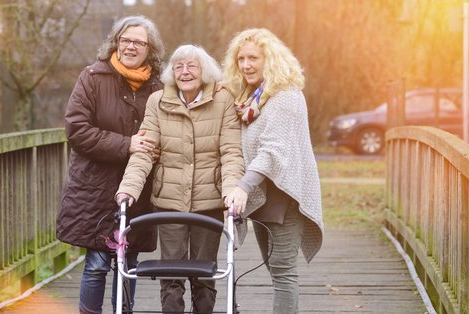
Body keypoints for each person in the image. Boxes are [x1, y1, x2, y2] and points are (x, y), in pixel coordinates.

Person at [116, 44, 247, 314]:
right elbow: (144, 153)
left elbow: (232, 152)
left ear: (205, 71)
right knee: (170, 273)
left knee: (205, 273)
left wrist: (232, 189)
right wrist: (128, 188)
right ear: (171, 73)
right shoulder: (158, 101)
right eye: (179, 67)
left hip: (209, 201)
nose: (185, 72)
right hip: (169, 202)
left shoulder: (223, 100)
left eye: (192, 66)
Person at [56, 15, 165, 314]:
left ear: (149, 48)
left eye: (138, 42)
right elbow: (76, 130)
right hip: (95, 187)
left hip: (137, 188)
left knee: (129, 262)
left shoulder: (160, 86)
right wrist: (127, 143)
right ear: (115, 42)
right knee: (96, 264)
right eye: (125, 40)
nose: (130, 47)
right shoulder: (92, 77)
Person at [222, 28, 324, 314]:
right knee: (274, 268)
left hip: (286, 196)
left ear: (271, 59)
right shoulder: (251, 99)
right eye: (241, 59)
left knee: (283, 271)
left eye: (253, 58)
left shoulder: (285, 97)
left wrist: (242, 186)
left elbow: (273, 151)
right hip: (265, 196)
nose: (246, 65)